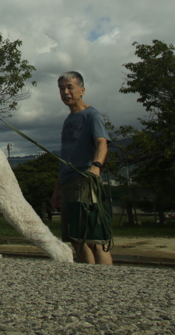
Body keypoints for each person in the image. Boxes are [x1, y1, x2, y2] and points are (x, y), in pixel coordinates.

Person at [50, 71, 113, 265]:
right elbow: (67, 157)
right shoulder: (68, 120)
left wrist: (96, 167)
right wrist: (58, 189)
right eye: (62, 88)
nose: (65, 92)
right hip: (68, 183)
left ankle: (108, 284)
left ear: (82, 90)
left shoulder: (91, 115)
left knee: (94, 239)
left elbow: (102, 143)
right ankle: (87, 282)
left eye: (70, 87)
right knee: (75, 239)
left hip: (84, 181)